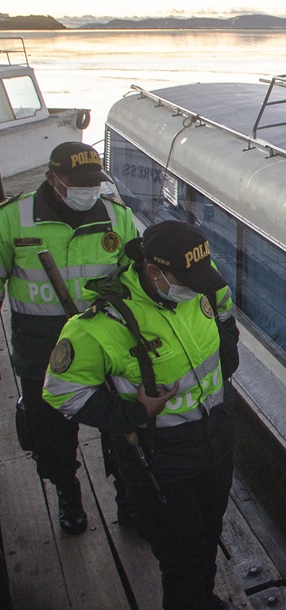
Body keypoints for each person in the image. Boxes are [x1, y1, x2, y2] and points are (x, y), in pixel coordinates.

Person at [42, 221, 240, 610]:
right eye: (185, 279)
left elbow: (225, 318)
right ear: (153, 272)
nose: (199, 286)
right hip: (161, 457)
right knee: (182, 555)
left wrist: (227, 351)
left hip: (216, 441)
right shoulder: (102, 326)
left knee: (209, 533)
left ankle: (203, 599)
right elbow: (60, 391)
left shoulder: (206, 285)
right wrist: (130, 412)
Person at [0, 142, 139, 535]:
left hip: (105, 350)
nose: (88, 192)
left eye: (94, 183)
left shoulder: (117, 219)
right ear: (52, 179)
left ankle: (127, 496)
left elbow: (134, 280)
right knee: (52, 433)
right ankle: (67, 489)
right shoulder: (13, 219)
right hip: (41, 350)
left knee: (118, 428)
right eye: (78, 184)